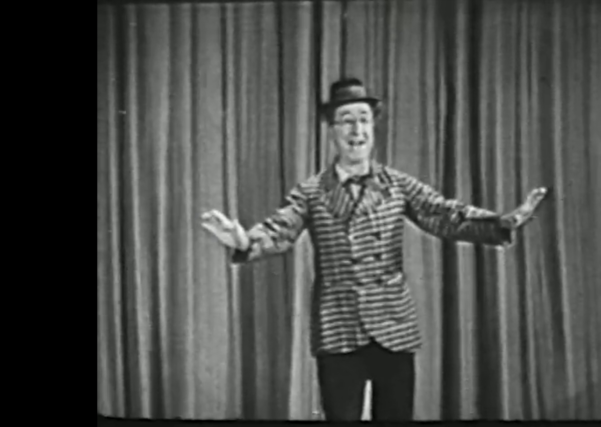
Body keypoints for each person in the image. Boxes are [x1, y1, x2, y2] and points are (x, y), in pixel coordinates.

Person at [201, 78, 548, 421]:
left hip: (393, 327)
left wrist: (502, 222)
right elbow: (281, 228)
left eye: (364, 119)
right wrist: (246, 241)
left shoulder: (396, 184)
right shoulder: (311, 192)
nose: (357, 130)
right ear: (333, 130)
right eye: (347, 120)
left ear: (373, 128)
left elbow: (444, 215)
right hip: (339, 329)